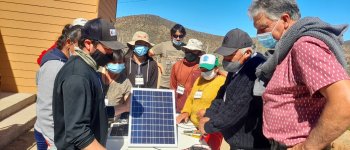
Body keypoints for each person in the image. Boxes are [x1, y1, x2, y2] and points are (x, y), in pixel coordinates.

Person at [248, 0, 350, 149]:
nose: (258, 35)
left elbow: (345, 102)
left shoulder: (304, 46)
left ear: (285, 20)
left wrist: (307, 147)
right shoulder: (286, 50)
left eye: (263, 28)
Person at [52, 18, 125, 150]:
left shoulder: (90, 69)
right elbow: (77, 132)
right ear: (88, 44)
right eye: (108, 48)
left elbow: (95, 111)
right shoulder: (78, 76)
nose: (111, 53)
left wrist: (125, 106)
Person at [198, 29, 270, 149]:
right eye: (224, 55)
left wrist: (209, 126)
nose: (225, 59)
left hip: (249, 144)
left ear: (247, 52)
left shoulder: (254, 70)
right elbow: (222, 94)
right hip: (236, 139)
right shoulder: (237, 66)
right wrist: (209, 114)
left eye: (229, 55)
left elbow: (237, 106)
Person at [34, 24, 83, 150]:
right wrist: (54, 142)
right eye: (80, 45)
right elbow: (46, 108)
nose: (84, 49)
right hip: (49, 135)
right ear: (68, 43)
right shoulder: (54, 67)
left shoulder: (64, 64)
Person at [176, 54, 225, 150]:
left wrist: (208, 114)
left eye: (207, 69)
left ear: (216, 68)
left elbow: (225, 106)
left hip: (211, 130)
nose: (204, 72)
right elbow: (191, 98)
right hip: (193, 126)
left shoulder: (222, 82)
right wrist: (186, 112)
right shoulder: (199, 80)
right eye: (202, 69)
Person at [170, 38, 204, 112]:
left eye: (194, 51)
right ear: (185, 50)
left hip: (195, 109)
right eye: (188, 50)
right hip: (179, 107)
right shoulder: (177, 65)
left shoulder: (204, 68)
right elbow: (173, 86)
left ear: (199, 53)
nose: (190, 53)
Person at [149, 24, 187, 89]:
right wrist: (157, 64)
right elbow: (149, 53)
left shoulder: (186, 48)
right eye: (175, 36)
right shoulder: (164, 45)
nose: (178, 38)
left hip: (179, 84)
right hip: (164, 84)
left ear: (183, 36)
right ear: (171, 36)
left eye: (180, 36)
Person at [99, 49, 132, 120]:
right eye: (114, 62)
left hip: (113, 122)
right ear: (106, 62)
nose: (117, 65)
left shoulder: (125, 82)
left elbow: (129, 103)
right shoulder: (96, 74)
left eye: (120, 63)